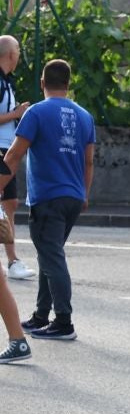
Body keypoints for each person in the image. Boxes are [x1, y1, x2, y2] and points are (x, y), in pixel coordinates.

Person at [8, 59, 94, 342]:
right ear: (68, 85)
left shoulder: (36, 112)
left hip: (48, 197)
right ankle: (41, 315)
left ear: (43, 83)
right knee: (49, 254)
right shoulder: (84, 116)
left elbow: (15, 154)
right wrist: (84, 193)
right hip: (73, 196)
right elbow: (89, 161)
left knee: (52, 257)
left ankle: (64, 322)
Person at [0, 35, 32, 281]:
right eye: (18, 49)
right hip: (0, 150)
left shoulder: (6, 81)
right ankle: (13, 261)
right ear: (10, 54)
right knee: (8, 203)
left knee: (10, 203)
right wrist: (16, 114)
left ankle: (13, 261)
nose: (20, 54)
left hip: (6, 149)